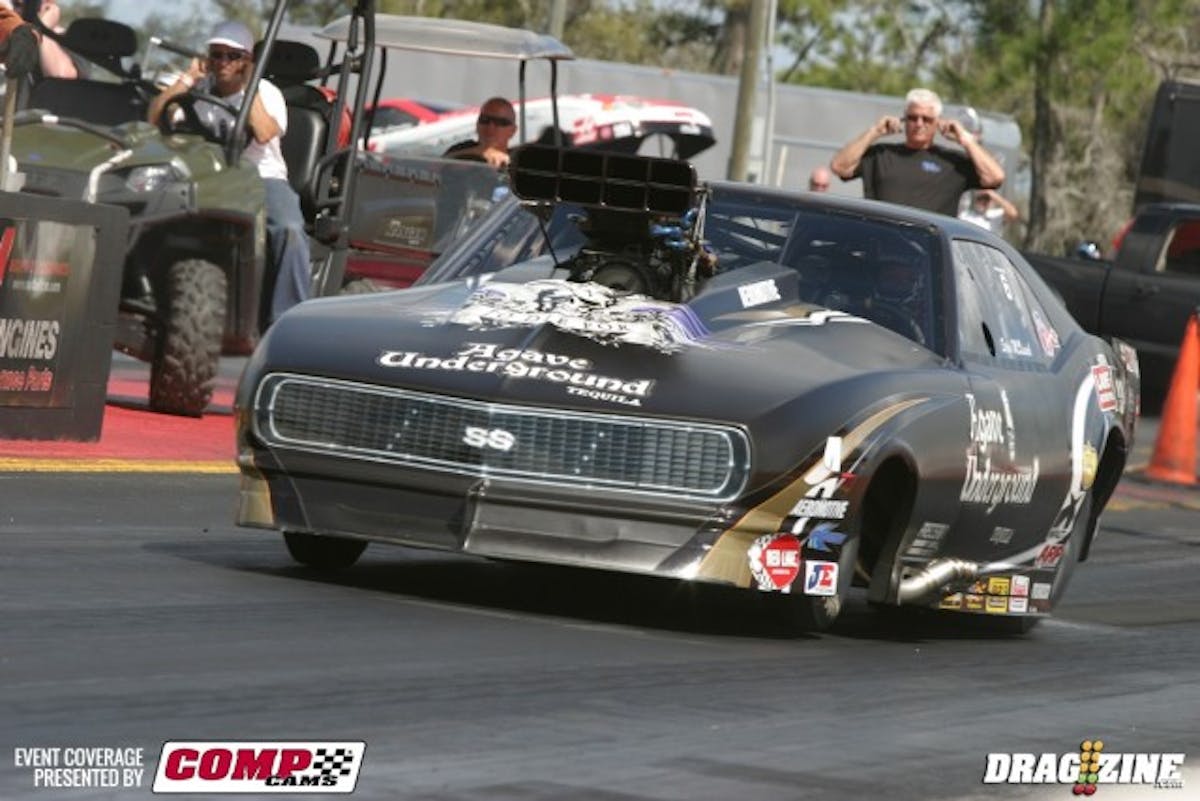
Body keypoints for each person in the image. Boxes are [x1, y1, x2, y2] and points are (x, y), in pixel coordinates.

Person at [147, 21, 311, 324]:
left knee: (288, 229)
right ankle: (146, 295)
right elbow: (154, 117)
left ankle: (289, 319)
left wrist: (249, 86)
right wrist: (187, 79)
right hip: (208, 175)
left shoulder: (266, 92)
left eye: (232, 56)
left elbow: (264, 132)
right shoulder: (197, 89)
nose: (222, 63)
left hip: (259, 176)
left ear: (247, 61)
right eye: (216, 54)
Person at [830, 88, 1005, 217]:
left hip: (929, 256)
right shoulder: (881, 155)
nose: (919, 123)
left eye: (927, 119)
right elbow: (839, 167)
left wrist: (965, 139)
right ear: (905, 119)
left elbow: (995, 177)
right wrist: (874, 131)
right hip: (880, 249)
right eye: (913, 118)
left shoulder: (952, 162)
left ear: (937, 122)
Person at [1, 0, 77, 78]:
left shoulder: (68, 40)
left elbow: (61, 77)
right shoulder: (7, 30)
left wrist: (42, 30)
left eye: (19, 5)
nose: (13, 10)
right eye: (14, 4)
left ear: (47, 5)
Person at [443, 97, 517, 168]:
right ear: (477, 124)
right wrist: (478, 151)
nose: (490, 127)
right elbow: (435, 167)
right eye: (485, 120)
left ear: (513, 130)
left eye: (499, 122)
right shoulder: (461, 149)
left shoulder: (519, 158)